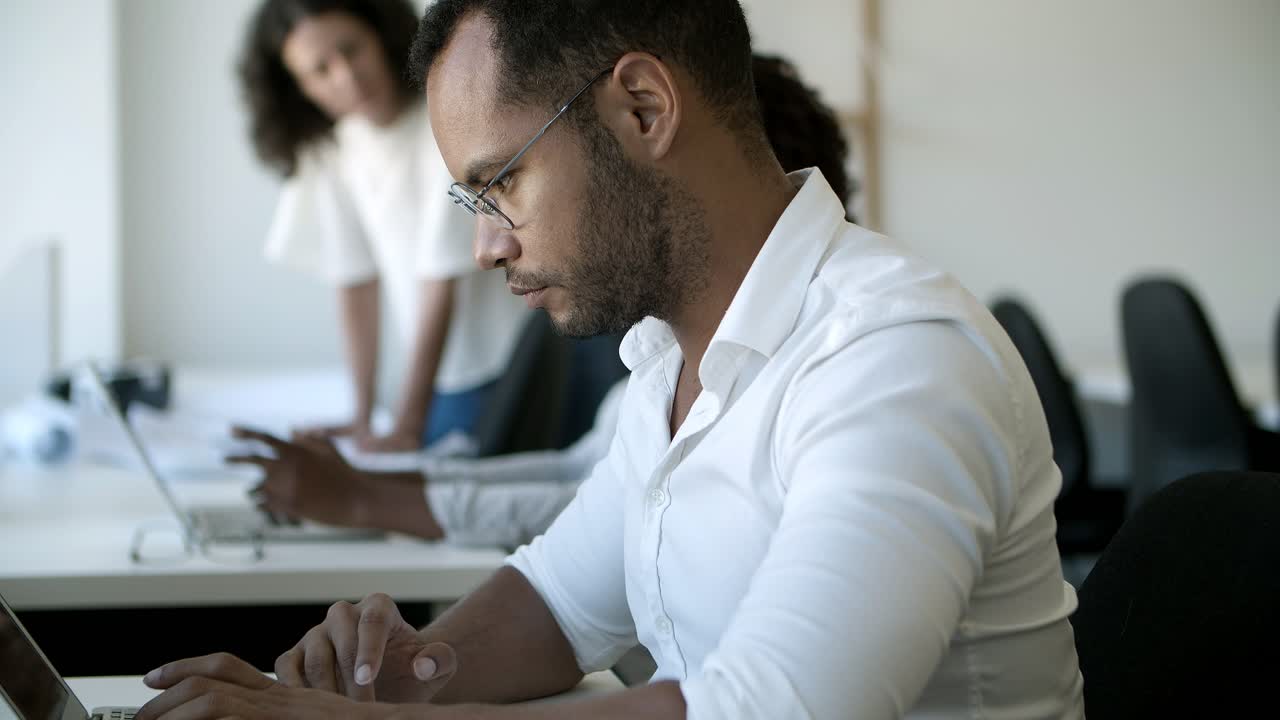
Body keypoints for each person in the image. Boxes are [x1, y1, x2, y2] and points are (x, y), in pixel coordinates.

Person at [136, 2, 1085, 718]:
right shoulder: (667, 353)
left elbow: (758, 711)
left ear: (641, 108)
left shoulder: (893, 358)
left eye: (498, 182)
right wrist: (401, 679)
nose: (488, 247)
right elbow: (556, 600)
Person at [230, 53, 860, 548]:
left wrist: (365, 497)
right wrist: (365, 486)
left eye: (506, 180)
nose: (488, 249)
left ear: (648, 119)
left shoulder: (859, 358)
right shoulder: (656, 360)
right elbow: (579, 496)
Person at [239, 0, 528, 452]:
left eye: (351, 50)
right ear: (298, 89)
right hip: (432, 379)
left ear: (380, 34)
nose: (346, 77)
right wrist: (362, 416)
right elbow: (353, 280)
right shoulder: (333, 147)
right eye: (320, 70)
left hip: (501, 362)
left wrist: (408, 425)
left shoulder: (445, 115)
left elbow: (441, 279)